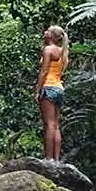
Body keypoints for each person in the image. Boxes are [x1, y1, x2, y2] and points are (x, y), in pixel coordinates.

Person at [35, 24, 68, 161]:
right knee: (55, 125)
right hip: (59, 88)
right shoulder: (63, 51)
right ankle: (56, 158)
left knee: (48, 124)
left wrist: (37, 90)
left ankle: (48, 159)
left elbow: (44, 71)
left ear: (52, 36)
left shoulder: (48, 49)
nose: (45, 32)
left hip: (48, 87)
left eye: (48, 31)